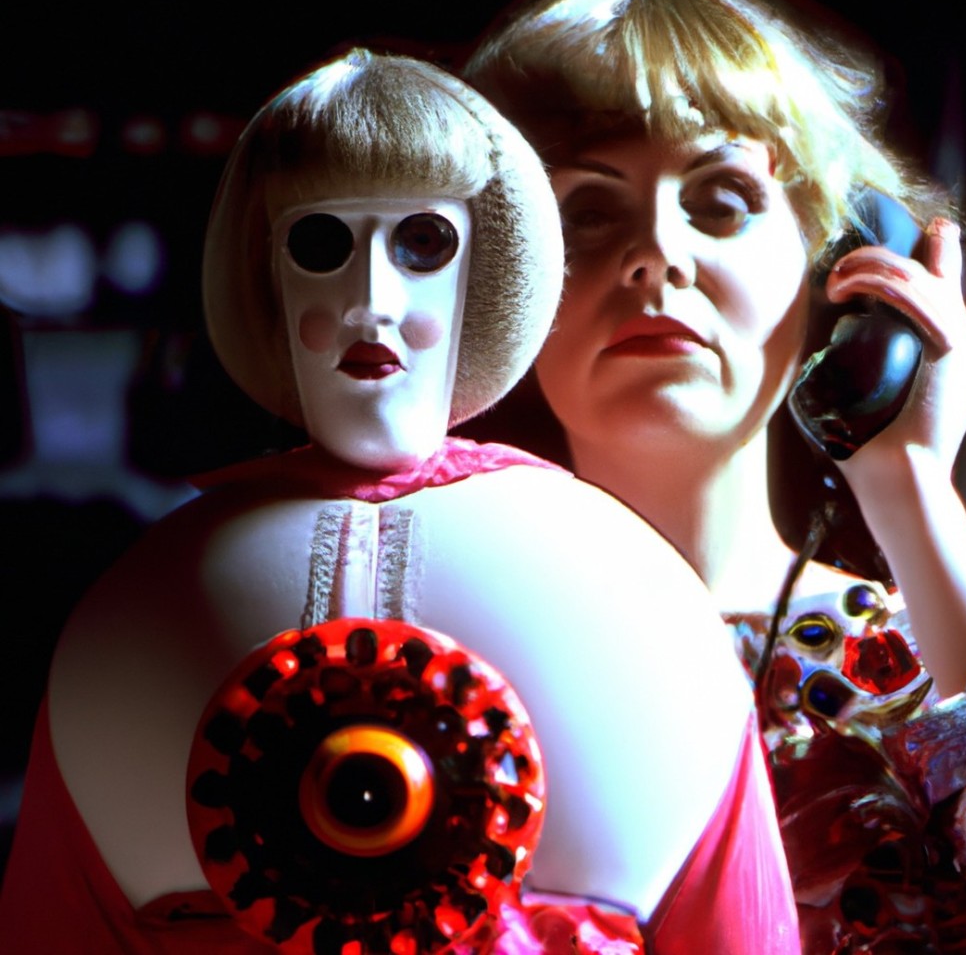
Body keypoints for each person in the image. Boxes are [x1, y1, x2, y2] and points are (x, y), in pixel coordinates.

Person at [0, 49, 799, 953]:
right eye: (322, 245)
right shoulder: (134, 611)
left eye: (422, 245)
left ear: (486, 272)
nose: (369, 302)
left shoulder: (641, 596)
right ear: (268, 277)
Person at [465, 0, 966, 951]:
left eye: (720, 201)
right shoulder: (435, 657)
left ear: (835, 267)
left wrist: (912, 487)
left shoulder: (934, 654)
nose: (656, 253)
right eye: (587, 213)